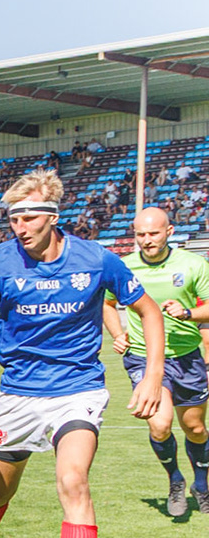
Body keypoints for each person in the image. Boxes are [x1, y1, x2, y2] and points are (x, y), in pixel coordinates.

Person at [0, 169, 166, 538]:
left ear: (52, 216)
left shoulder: (95, 258)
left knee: (73, 480)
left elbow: (148, 312)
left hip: (79, 389)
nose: (19, 226)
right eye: (13, 218)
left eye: (28, 217)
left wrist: (152, 376)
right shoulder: (0, 264)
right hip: (19, 397)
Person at [102, 206, 209, 516]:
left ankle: (201, 484)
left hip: (187, 357)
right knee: (160, 425)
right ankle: (175, 480)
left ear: (169, 232)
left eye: (153, 233)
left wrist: (188, 313)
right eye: (140, 234)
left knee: (196, 428)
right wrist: (117, 332)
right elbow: (108, 304)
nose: (146, 240)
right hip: (143, 357)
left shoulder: (194, 264)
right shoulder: (124, 266)